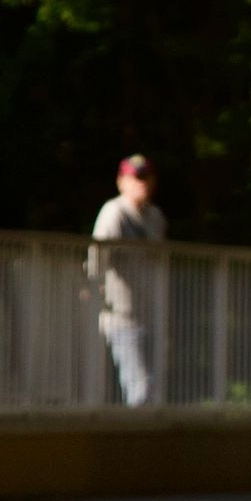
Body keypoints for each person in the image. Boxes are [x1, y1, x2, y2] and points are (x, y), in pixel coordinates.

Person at [90, 155, 167, 406]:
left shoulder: (155, 217)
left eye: (146, 177)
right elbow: (96, 257)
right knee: (140, 389)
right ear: (121, 181)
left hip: (152, 316)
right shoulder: (114, 212)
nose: (141, 183)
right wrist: (96, 291)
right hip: (122, 316)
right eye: (136, 178)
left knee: (156, 391)